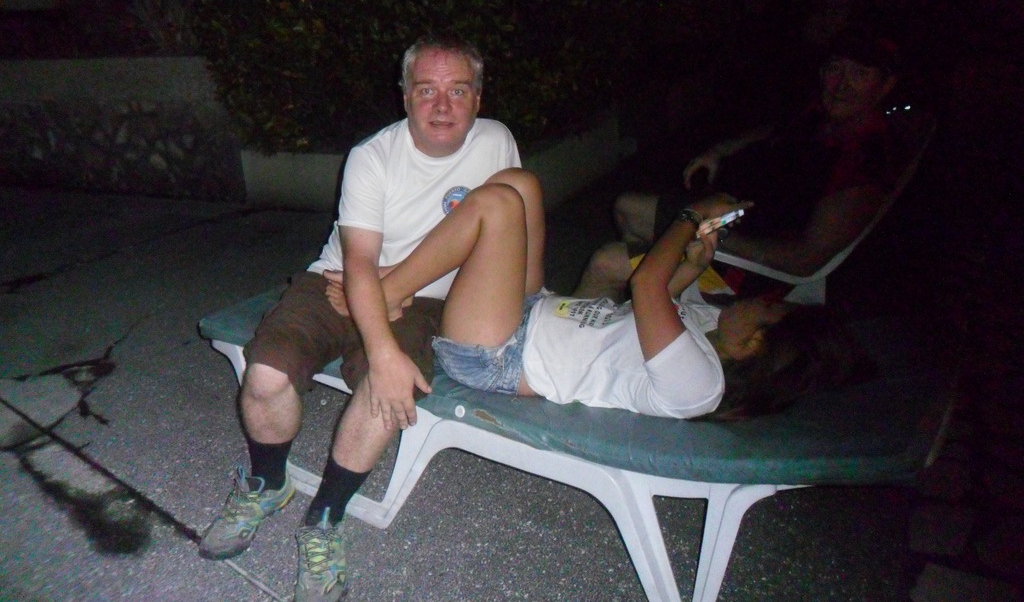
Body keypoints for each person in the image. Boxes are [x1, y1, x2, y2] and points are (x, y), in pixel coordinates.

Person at [198, 35, 522, 602]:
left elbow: (497, 239)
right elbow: (360, 262)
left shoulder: (497, 142)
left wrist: (399, 305)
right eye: (426, 90)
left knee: (384, 392)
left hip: (428, 303)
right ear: (404, 95)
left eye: (457, 90)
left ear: (478, 96)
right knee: (265, 375)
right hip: (338, 279)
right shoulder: (373, 156)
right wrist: (382, 337)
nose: (441, 105)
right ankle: (267, 482)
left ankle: (325, 517)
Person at [339, 167, 869, 421]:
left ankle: (383, 294)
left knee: (497, 206)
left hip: (497, 353)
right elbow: (645, 312)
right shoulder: (710, 331)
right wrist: (694, 265)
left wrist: (692, 215)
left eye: (767, 307)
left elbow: (645, 284)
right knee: (522, 185)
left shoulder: (699, 384)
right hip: (532, 311)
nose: (755, 299)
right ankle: (396, 279)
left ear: (755, 344)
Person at [575, 23, 904, 302]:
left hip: (749, 275)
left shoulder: (865, 162)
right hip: (731, 218)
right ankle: (644, 304)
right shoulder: (823, 116)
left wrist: (707, 232)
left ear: (885, 86)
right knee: (627, 206)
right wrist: (719, 152)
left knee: (606, 262)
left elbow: (803, 260)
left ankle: (641, 303)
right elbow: (774, 130)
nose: (842, 84)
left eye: (860, 74)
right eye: (835, 69)